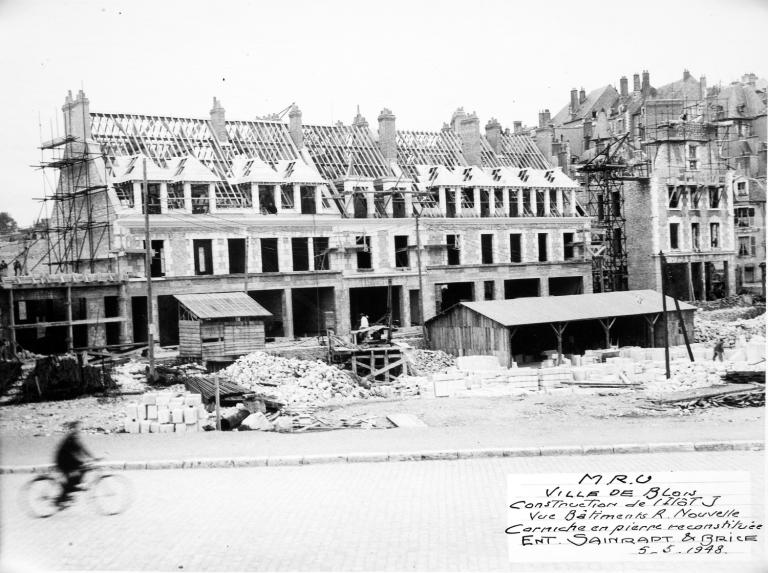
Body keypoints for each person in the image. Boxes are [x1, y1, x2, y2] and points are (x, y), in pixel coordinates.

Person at [54, 421, 96, 507]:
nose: (78, 429)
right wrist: (88, 459)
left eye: (78, 428)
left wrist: (92, 457)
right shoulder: (71, 438)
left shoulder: (73, 437)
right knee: (78, 472)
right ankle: (64, 495)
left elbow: (82, 449)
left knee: (80, 470)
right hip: (63, 461)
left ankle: (70, 490)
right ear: (72, 429)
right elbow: (78, 450)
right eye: (76, 428)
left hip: (68, 460)